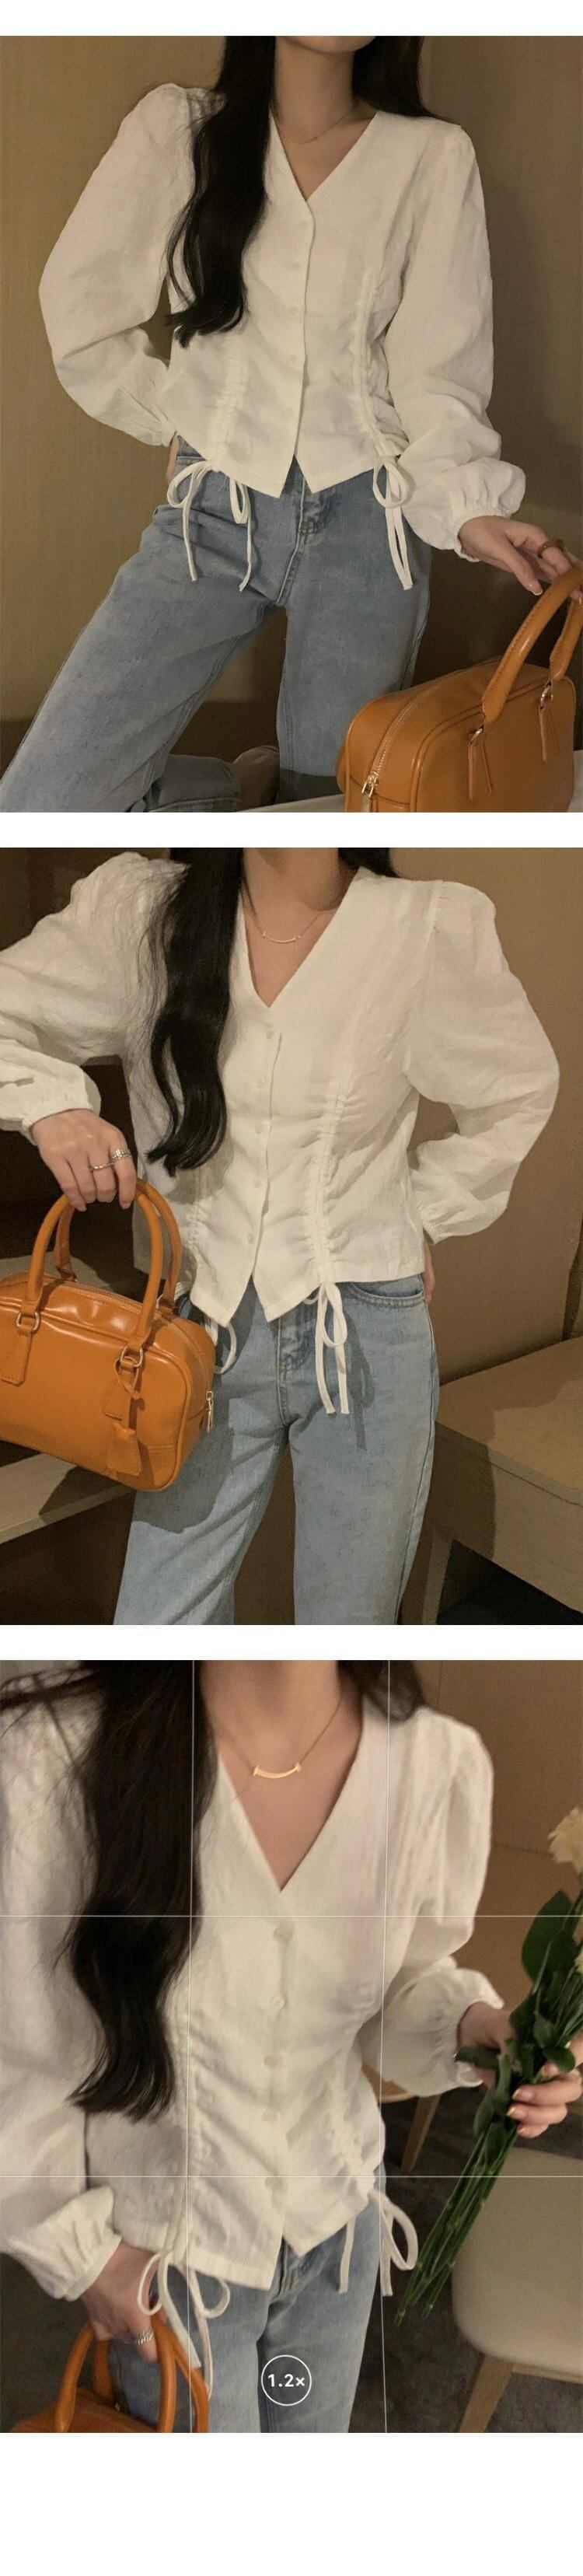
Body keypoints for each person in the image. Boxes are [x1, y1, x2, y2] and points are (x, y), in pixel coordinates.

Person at [2, 1659, 581, 2434]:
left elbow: (399, 1983)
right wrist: (83, 2255)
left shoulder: (430, 1760)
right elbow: (19, 2047)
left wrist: (469, 2027)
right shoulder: (57, 1753)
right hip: (173, 2267)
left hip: (340, 2230)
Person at [0, 36, 571, 814]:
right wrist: (185, 419)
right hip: (213, 518)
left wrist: (469, 509)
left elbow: (438, 372)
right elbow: (82, 312)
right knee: (42, 801)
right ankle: (235, 786)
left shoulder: (431, 156)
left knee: (328, 813)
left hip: (370, 527)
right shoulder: (179, 131)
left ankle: (274, 803)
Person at [0, 850, 559, 1624]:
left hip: (365, 1336)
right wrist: (49, 1106)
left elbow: (518, 1089)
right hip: (195, 1339)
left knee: (346, 1633)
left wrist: (417, 1211)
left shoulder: (424, 927)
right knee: (158, 1629)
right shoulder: (141, 912)